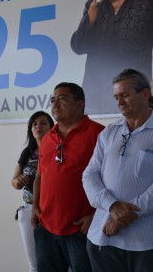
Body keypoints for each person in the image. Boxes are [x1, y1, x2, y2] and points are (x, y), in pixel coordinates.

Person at [83, 69, 153, 272]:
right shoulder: (109, 133)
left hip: (143, 242)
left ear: (145, 94)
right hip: (101, 238)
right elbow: (89, 174)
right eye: (116, 97)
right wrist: (111, 206)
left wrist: (122, 219)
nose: (119, 102)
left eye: (125, 95)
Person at [31, 82, 104, 272]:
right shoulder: (48, 137)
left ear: (80, 105)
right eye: (53, 100)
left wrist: (97, 215)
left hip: (81, 229)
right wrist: (35, 207)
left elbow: (113, 180)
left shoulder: (99, 134)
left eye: (62, 99)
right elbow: (40, 175)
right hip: (46, 228)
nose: (55, 104)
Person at [70, 0, 153, 115]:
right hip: (96, 97)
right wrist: (94, 5)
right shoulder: (93, 4)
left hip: (136, 95)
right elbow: (78, 46)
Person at [12, 111, 54, 272]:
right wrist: (18, 180)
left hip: (53, 210)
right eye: (34, 124)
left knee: (60, 261)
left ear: (51, 127)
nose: (38, 126)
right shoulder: (27, 153)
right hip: (29, 210)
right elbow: (14, 182)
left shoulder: (58, 149)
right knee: (34, 264)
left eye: (43, 123)